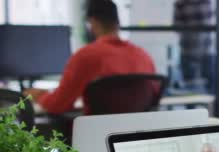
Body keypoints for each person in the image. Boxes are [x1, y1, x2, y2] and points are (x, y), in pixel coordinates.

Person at [24, 0, 156, 115]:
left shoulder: (86, 56)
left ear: (92, 22)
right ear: (118, 22)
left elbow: (58, 105)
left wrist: (40, 95)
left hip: (94, 134)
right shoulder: (143, 55)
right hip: (134, 136)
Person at [173, 0, 216, 93]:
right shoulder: (180, 3)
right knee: (189, 87)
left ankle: (210, 107)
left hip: (204, 49)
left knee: (211, 87)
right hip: (189, 49)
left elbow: (209, 24)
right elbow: (177, 27)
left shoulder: (205, 2)